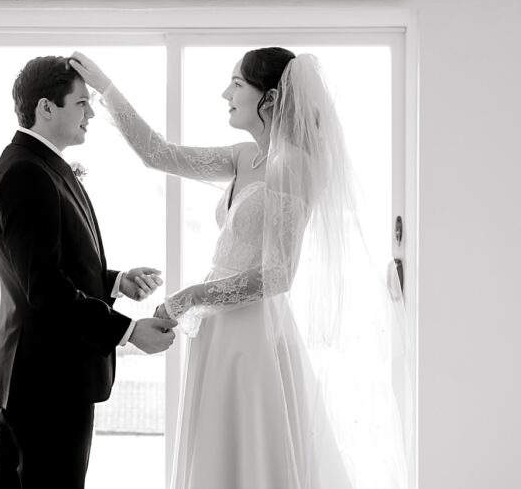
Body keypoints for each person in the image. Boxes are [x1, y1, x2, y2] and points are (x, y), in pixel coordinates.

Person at [70, 48, 407, 489]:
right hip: (217, 332)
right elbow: (158, 154)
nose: (225, 93)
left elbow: (278, 274)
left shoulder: (297, 167)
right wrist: (106, 89)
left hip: (254, 338)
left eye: (237, 83)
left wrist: (188, 298)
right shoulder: (244, 156)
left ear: (268, 99)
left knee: (252, 457)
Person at [0, 55, 179, 489]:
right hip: (47, 383)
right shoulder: (27, 173)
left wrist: (114, 281)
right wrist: (127, 333)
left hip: (40, 376)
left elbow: (49, 266)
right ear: (46, 108)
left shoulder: (39, 164)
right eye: (82, 104)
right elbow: (45, 288)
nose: (90, 114)